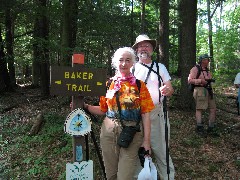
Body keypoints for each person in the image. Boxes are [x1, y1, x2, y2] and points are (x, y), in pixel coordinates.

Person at [84, 47, 155, 180]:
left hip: (132, 133)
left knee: (125, 176)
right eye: (121, 60)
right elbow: (102, 109)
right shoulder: (108, 84)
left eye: (127, 60)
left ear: (133, 63)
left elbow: (145, 114)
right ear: (115, 63)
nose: (123, 63)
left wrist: (146, 141)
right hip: (108, 131)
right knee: (110, 174)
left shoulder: (140, 86)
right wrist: (86, 107)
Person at [132, 34, 175, 180]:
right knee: (137, 150)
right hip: (135, 115)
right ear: (136, 49)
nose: (144, 48)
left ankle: (167, 177)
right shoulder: (131, 68)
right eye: (141, 45)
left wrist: (167, 90)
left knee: (162, 150)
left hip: (156, 114)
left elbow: (169, 88)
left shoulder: (159, 67)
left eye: (147, 45)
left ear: (152, 49)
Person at [188, 54, 218, 137]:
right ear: (202, 60)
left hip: (208, 90)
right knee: (200, 108)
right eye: (207, 59)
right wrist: (200, 81)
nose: (208, 61)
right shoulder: (195, 69)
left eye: (208, 59)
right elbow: (190, 80)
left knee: (213, 108)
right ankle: (199, 127)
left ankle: (211, 128)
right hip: (200, 90)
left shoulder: (207, 70)